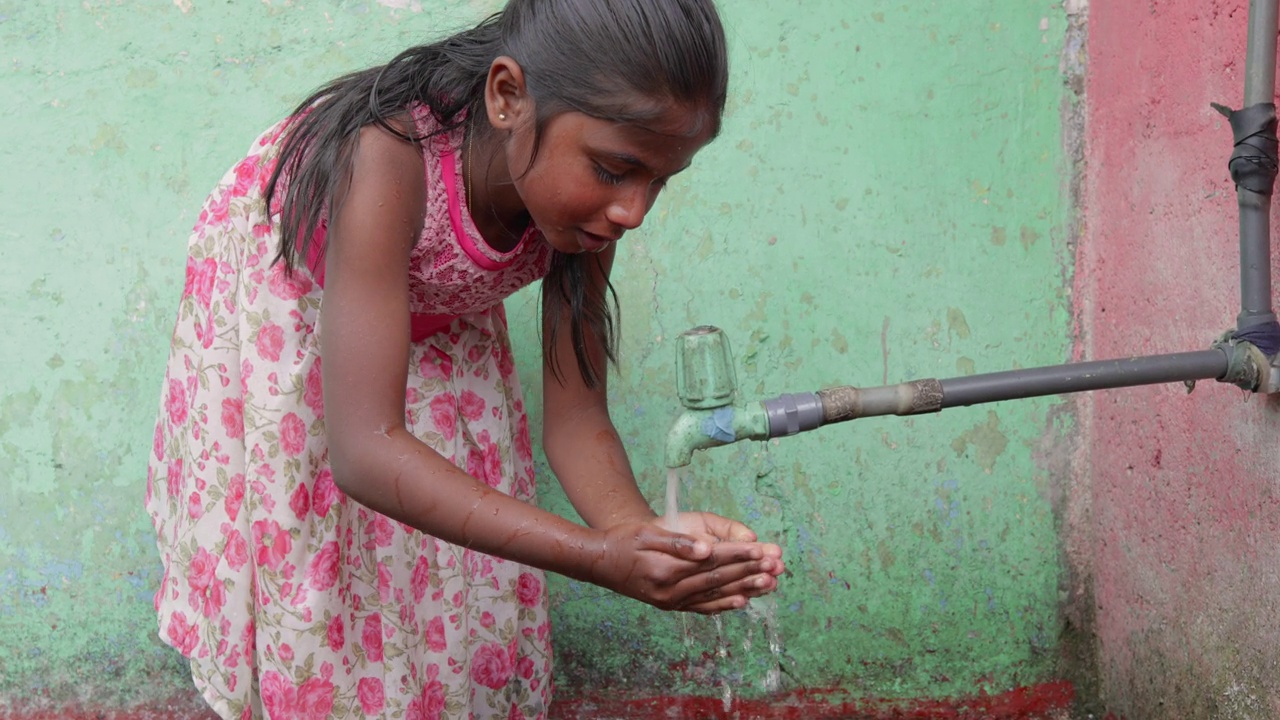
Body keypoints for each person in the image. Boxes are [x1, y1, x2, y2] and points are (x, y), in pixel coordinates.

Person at [145, 0, 785, 717]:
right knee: (323, 555)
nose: (635, 211)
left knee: (442, 554)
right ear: (509, 97)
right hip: (290, 301)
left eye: (660, 181)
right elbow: (363, 450)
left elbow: (576, 419)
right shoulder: (383, 158)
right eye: (615, 170)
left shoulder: (584, 214)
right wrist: (596, 558)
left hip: (431, 305)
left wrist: (640, 536)